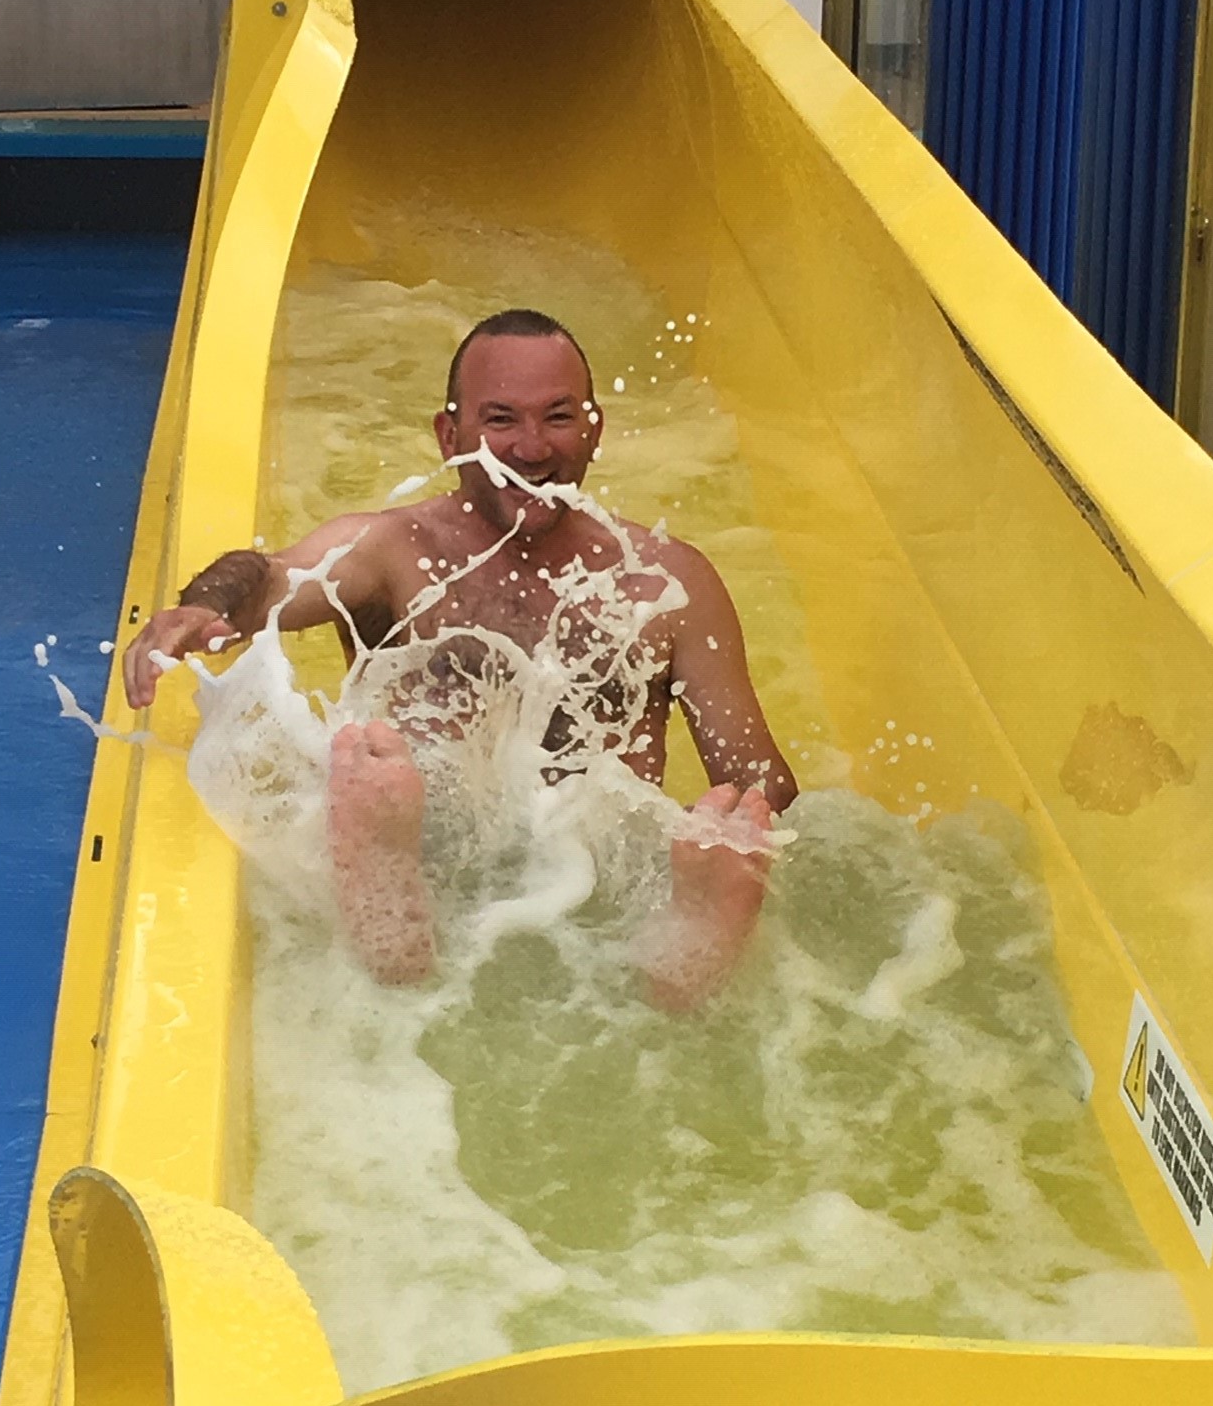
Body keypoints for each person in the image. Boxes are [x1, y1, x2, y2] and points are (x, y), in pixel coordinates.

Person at [124, 309, 797, 1008]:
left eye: (558, 417)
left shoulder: (664, 585)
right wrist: (205, 609)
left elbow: (757, 780)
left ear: (593, 428)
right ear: (450, 436)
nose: (531, 447)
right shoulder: (393, 553)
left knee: (718, 844)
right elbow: (269, 578)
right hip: (434, 859)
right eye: (501, 420)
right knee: (384, 799)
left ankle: (688, 942)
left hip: (594, 882)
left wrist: (725, 833)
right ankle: (386, 889)